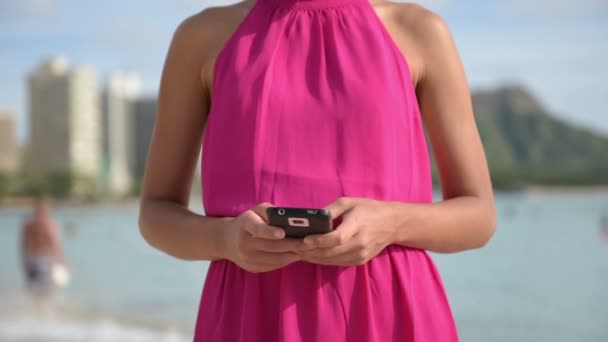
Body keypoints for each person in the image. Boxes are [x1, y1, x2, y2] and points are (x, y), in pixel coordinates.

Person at [139, 0, 496, 341]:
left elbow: (479, 215)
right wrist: (226, 240)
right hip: (249, 318)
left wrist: (392, 223)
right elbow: (156, 213)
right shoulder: (202, 37)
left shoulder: (420, 31)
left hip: (391, 315)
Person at [20, 196, 69, 304]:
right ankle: (44, 315)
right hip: (44, 260)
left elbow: (23, 245)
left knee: (33, 289)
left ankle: (34, 313)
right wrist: (63, 261)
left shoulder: (28, 225)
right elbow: (55, 244)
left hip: (30, 260)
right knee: (46, 291)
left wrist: (23, 262)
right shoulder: (49, 224)